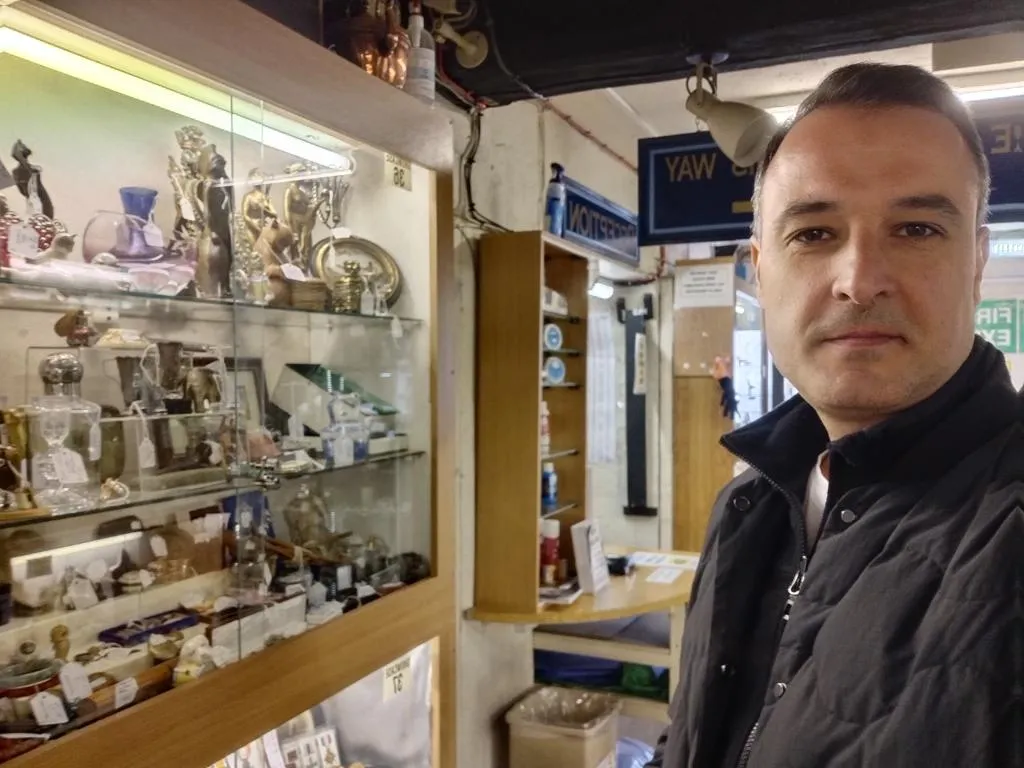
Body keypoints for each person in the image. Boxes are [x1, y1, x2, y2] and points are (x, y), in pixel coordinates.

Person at [649, 63, 1022, 767]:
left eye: (915, 228)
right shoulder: (748, 504)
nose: (858, 280)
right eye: (814, 234)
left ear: (976, 260)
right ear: (759, 271)